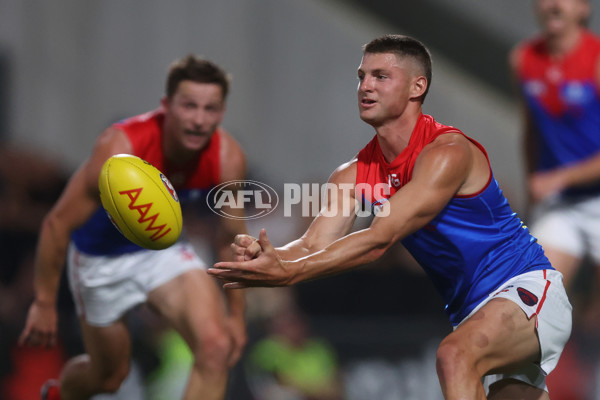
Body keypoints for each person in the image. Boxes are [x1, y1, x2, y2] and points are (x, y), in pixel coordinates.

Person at [208, 35, 573, 399]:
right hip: (476, 315)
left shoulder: (447, 152)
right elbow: (313, 244)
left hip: (528, 291)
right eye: (361, 75)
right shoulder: (351, 174)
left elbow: (378, 241)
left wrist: (290, 273)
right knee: (460, 357)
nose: (365, 86)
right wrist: (269, 259)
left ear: (418, 87)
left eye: (381, 76)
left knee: (453, 355)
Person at [19, 55, 248, 400]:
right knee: (108, 377)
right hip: (100, 261)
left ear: (222, 113)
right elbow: (57, 223)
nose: (199, 120)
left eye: (210, 109)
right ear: (167, 106)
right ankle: (62, 392)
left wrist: (237, 315)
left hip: (164, 250)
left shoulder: (227, 157)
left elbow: (231, 238)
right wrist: (45, 302)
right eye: (189, 106)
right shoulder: (120, 147)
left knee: (216, 347)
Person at [510, 0, 600, 296]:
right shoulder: (524, 58)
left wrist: (559, 178)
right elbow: (530, 133)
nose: (553, 5)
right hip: (562, 204)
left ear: (583, 9)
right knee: (533, 297)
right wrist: (531, 190)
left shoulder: (596, 58)